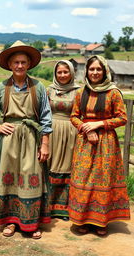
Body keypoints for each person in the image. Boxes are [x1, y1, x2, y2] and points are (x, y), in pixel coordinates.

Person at [0, 40, 52, 239]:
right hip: (8, 139)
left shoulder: (38, 87)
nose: (20, 66)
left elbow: (46, 118)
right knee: (8, 178)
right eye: (16, 62)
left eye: (23, 62)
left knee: (32, 179)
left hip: (31, 138)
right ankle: (10, 221)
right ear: (9, 65)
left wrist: (45, 144)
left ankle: (31, 223)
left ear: (29, 64)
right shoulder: (1, 88)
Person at [68, 55, 130, 235]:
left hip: (106, 144)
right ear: (87, 71)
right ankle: (82, 220)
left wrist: (99, 124)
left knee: (102, 179)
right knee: (83, 178)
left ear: (105, 71)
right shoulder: (81, 92)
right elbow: (74, 116)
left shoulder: (113, 93)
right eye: (91, 69)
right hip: (85, 142)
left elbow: (122, 118)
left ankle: (100, 222)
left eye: (98, 69)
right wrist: (86, 129)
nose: (95, 72)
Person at [47, 60, 80, 220]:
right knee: (50, 165)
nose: (62, 75)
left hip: (71, 132)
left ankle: (64, 208)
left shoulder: (79, 91)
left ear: (72, 73)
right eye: (59, 72)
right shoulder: (49, 90)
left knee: (67, 167)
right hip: (51, 131)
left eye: (65, 72)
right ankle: (48, 206)